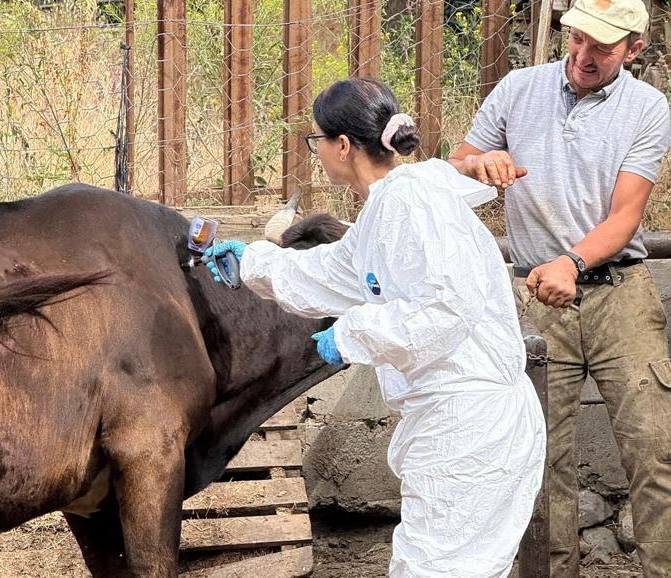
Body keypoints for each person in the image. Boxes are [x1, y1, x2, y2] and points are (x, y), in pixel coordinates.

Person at [206, 78, 546, 577]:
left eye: (316, 140)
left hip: (469, 423)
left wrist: (351, 336)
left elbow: (446, 308)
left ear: (342, 146)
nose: (316, 151)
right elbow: (331, 272)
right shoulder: (388, 207)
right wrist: (254, 262)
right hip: (454, 420)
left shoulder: (413, 203)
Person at [447, 0, 671, 574]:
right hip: (534, 295)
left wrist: (570, 261)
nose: (583, 55)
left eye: (602, 46)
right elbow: (458, 161)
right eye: (577, 39)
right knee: (542, 458)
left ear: (633, 49)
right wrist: (481, 163)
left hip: (620, 292)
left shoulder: (648, 108)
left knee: (655, 450)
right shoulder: (519, 87)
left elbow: (626, 216)